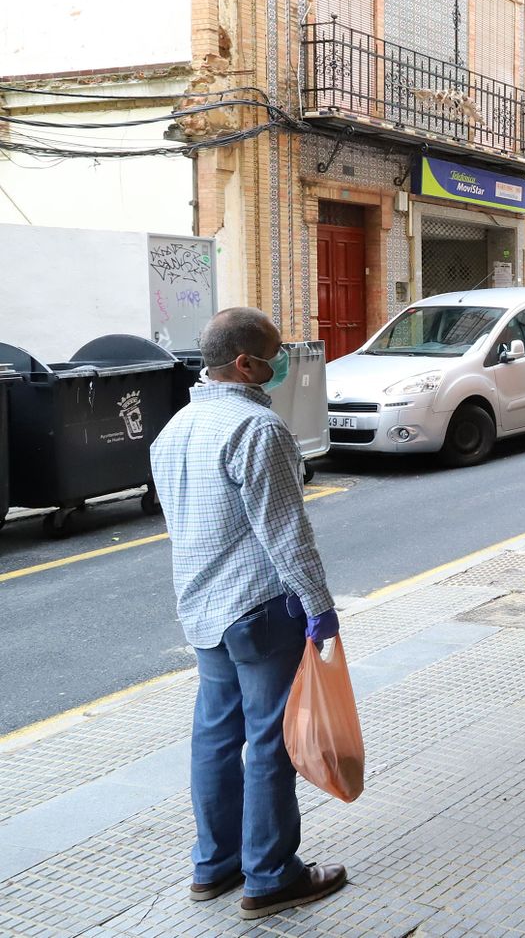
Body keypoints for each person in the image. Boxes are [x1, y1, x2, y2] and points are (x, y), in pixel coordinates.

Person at [149, 307, 348, 921]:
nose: (280, 363)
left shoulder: (173, 429)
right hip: (260, 609)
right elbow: (286, 533)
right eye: (274, 354)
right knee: (269, 740)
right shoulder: (259, 429)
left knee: (215, 736)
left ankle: (214, 866)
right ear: (244, 364)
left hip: (202, 607)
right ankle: (270, 876)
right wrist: (320, 608)